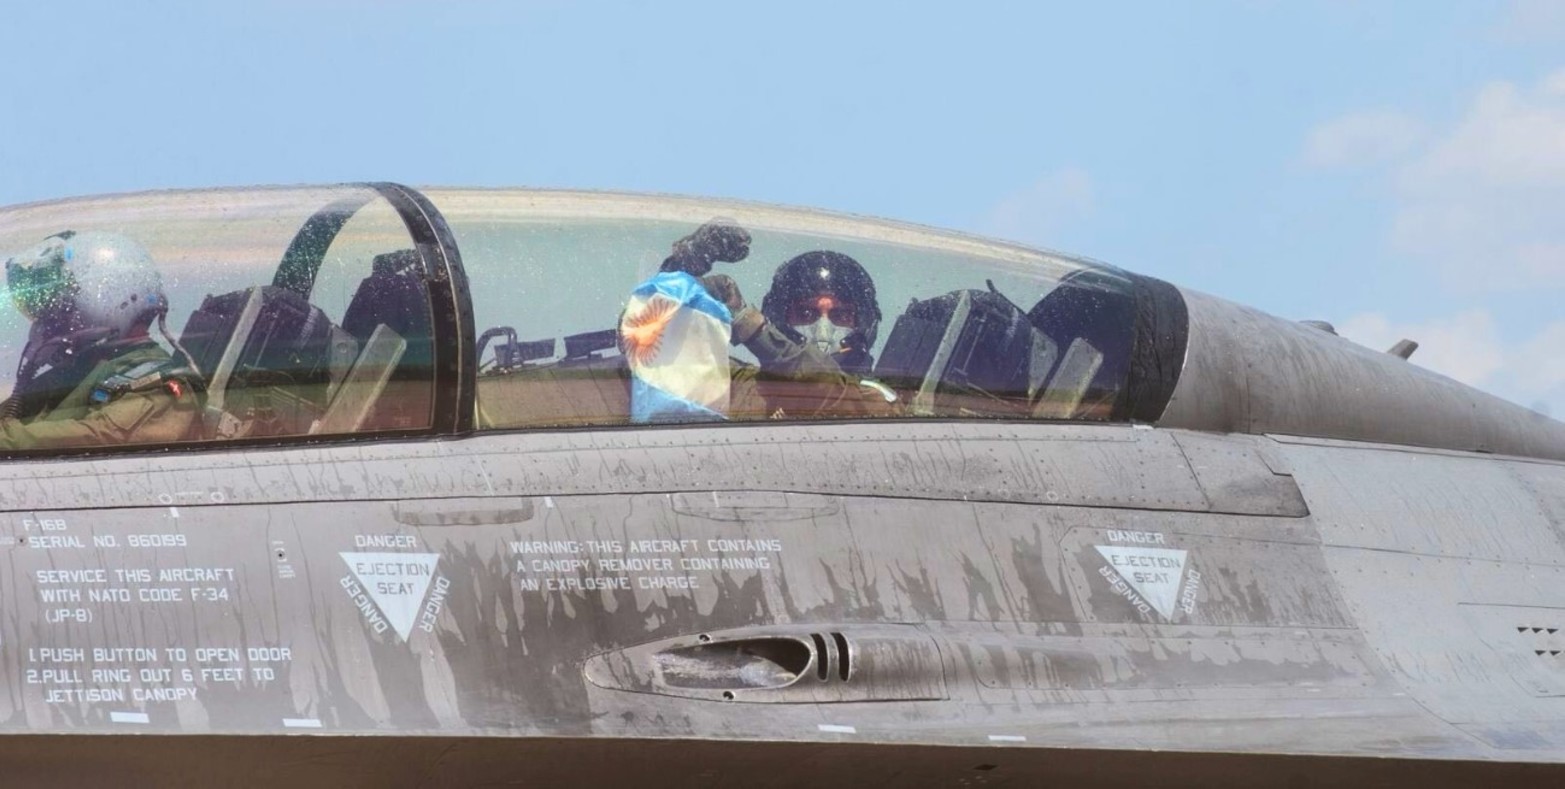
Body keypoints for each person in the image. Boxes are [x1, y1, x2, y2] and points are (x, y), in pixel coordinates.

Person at [0, 231, 200, 449]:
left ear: (110, 298)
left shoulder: (159, 387)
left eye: (62, 310)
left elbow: (96, 437)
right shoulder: (79, 372)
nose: (45, 326)